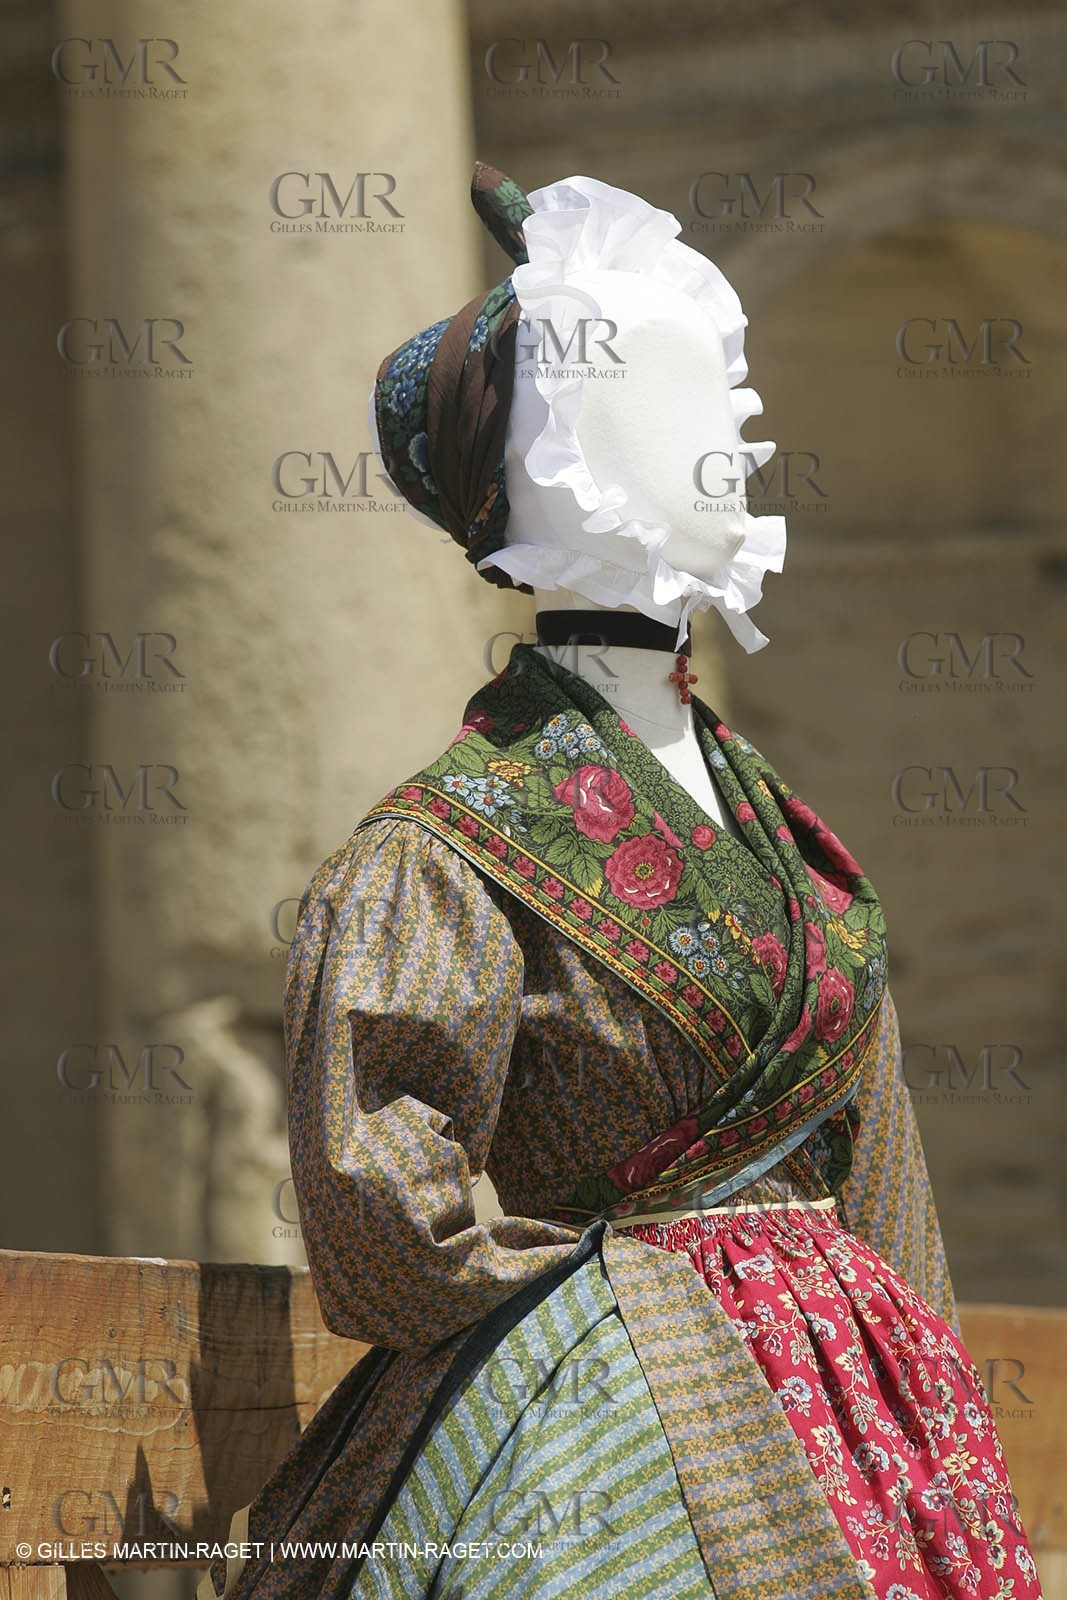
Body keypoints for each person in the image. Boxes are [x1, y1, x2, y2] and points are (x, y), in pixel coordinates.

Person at [200, 164, 1042, 1600]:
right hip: (630, 1431)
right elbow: (382, 1231)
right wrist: (625, 1313)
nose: (733, 434)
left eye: (723, 387)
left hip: (883, 1429)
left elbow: (883, 1185)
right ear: (539, 468)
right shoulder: (441, 854)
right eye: (663, 386)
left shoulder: (790, 843)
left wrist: (931, 1402)